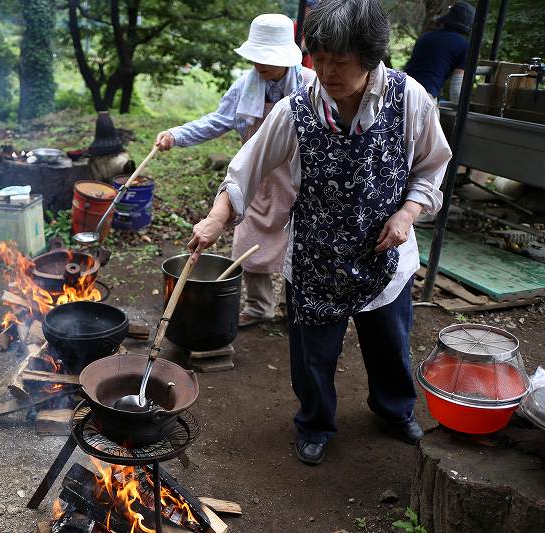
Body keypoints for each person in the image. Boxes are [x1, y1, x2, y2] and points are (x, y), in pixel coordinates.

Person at [187, 0, 452, 465]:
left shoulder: (409, 99)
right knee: (313, 356)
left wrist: (407, 213)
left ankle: (394, 409)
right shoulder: (297, 110)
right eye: (319, 58)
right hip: (316, 257)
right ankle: (314, 422)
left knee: (390, 345)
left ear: (369, 59)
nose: (326, 71)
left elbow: (432, 169)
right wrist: (215, 219)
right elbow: (243, 173)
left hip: (385, 256)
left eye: (340, 61)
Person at [156, 14, 315, 328]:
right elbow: (218, 121)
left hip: (299, 179)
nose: (259, 65)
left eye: (266, 59)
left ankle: (293, 308)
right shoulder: (246, 85)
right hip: (255, 177)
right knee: (249, 243)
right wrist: (177, 135)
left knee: (297, 246)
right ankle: (259, 308)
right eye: (255, 58)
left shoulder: (311, 85)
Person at [404, 1, 475, 104]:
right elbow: (456, 91)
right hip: (424, 96)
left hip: (401, 89)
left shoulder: (426, 36)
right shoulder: (464, 46)